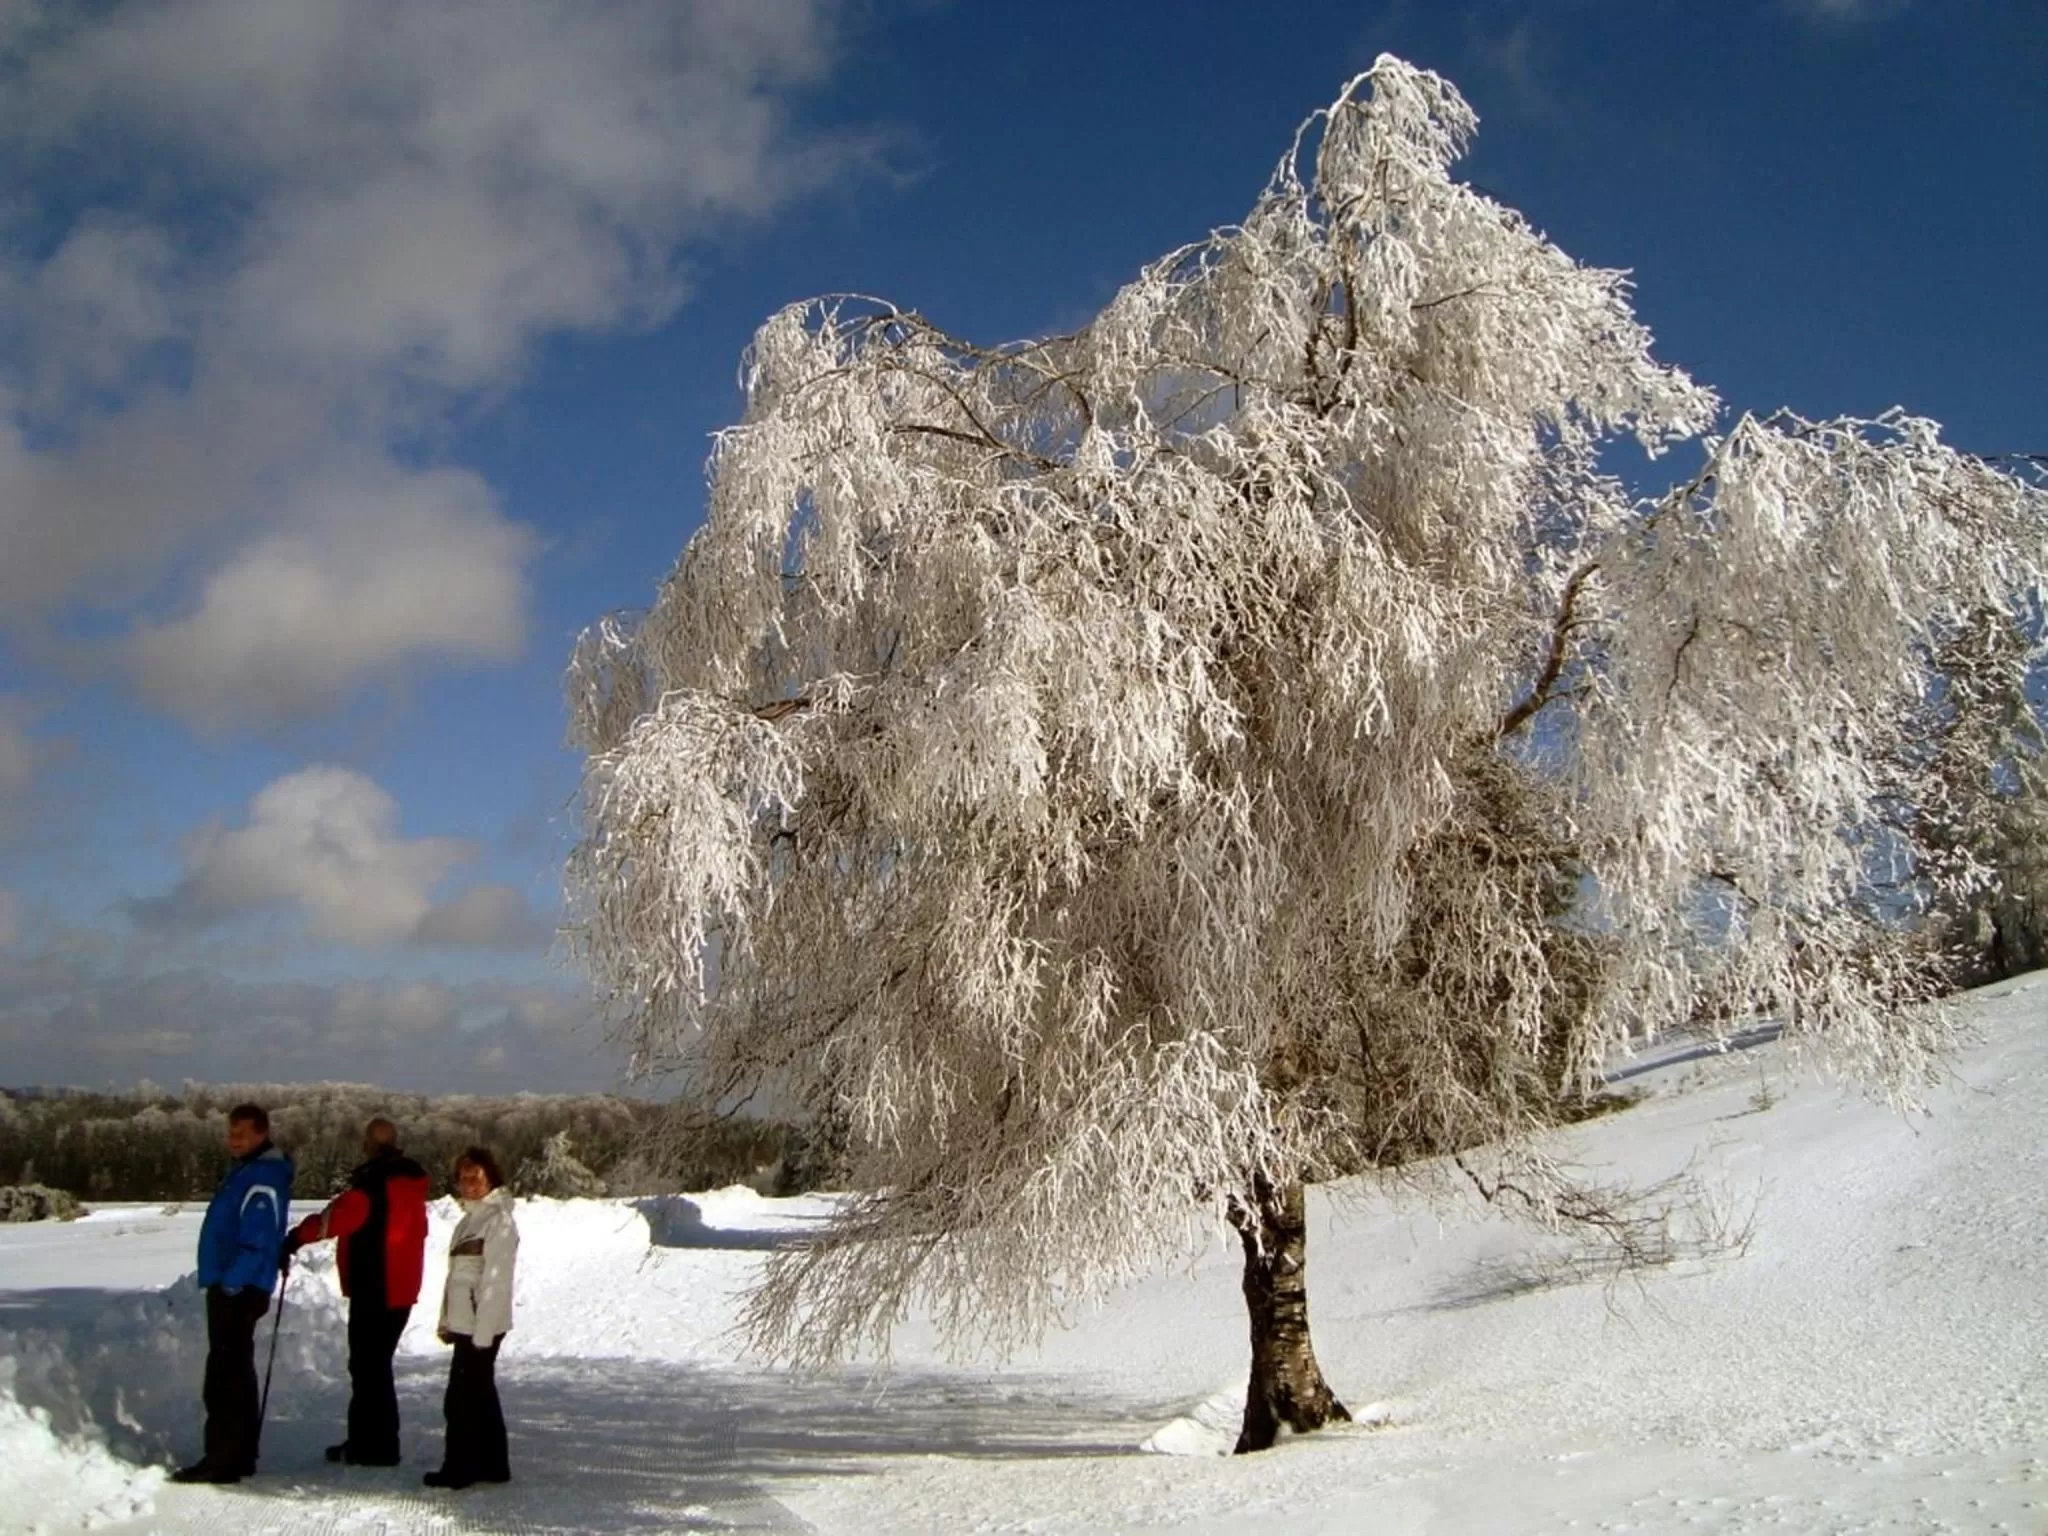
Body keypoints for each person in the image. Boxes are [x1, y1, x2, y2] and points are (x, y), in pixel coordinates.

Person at [283, 1116, 430, 1467]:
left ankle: (373, 1446)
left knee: (367, 1368)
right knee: (375, 1366)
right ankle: (375, 1441)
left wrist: (294, 1238)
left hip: (375, 1286)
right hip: (401, 1288)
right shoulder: (411, 1184)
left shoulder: (371, 1187)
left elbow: (332, 1220)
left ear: (369, 1145)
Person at [174, 1103, 293, 1485]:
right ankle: (239, 1453)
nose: (234, 1140)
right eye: (231, 1132)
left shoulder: (261, 1175)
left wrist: (232, 1282)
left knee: (225, 1375)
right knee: (236, 1370)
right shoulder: (250, 1170)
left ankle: (223, 1457)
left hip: (238, 1288)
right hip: (238, 1284)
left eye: (242, 1133)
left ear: (261, 1132)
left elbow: (258, 1236)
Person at [426, 1147, 519, 1489]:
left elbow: (496, 1282)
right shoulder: (468, 1222)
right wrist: (446, 1321)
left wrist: (482, 1335)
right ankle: (494, 1464)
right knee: (481, 1394)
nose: (469, 1184)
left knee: (461, 1400)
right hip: (465, 1323)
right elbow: (456, 1279)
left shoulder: (499, 1222)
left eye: (476, 1177)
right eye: (464, 1178)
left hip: (482, 1327)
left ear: (491, 1178)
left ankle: (459, 1468)